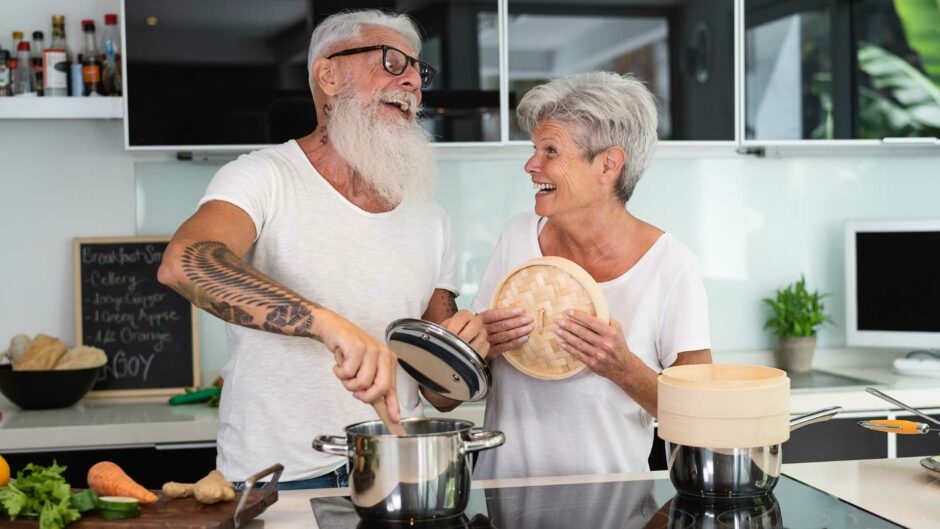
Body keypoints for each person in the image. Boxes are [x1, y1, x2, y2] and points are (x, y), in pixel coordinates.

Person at [157, 9, 487, 489]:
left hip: (397, 472)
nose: (414, 80)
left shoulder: (430, 217)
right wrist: (327, 324)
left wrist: (467, 350)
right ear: (329, 75)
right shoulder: (261, 177)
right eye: (393, 62)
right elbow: (184, 264)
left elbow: (442, 396)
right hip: (279, 475)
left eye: (418, 69)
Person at [471, 72, 712, 479]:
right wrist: (481, 345)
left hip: (613, 509)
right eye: (535, 149)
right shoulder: (516, 235)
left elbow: (703, 417)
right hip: (501, 504)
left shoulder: (671, 267)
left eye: (550, 150)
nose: (531, 165)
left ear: (608, 165)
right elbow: (466, 373)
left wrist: (624, 368)